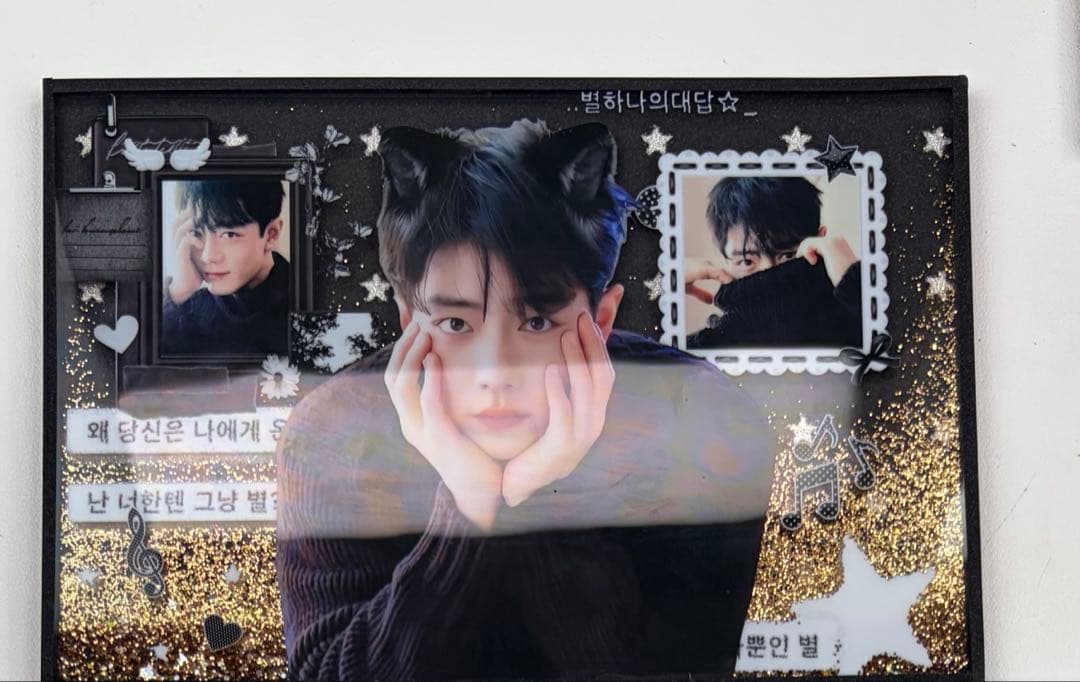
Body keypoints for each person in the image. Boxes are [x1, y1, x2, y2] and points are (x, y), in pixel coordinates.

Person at [275, 120, 775, 680]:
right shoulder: (334, 432)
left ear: (602, 319)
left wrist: (539, 493)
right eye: (456, 323)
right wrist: (468, 508)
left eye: (536, 321)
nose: (495, 373)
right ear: (409, 321)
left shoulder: (702, 421)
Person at [684, 176, 862, 348]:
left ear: (820, 239)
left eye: (788, 255)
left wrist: (857, 285)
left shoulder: (856, 314)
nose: (768, 270)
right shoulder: (711, 348)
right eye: (747, 261)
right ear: (725, 261)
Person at [159, 179, 289, 356]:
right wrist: (176, 294)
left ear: (271, 235)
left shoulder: (309, 301)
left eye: (229, 234)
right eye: (196, 233)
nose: (208, 256)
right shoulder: (184, 309)